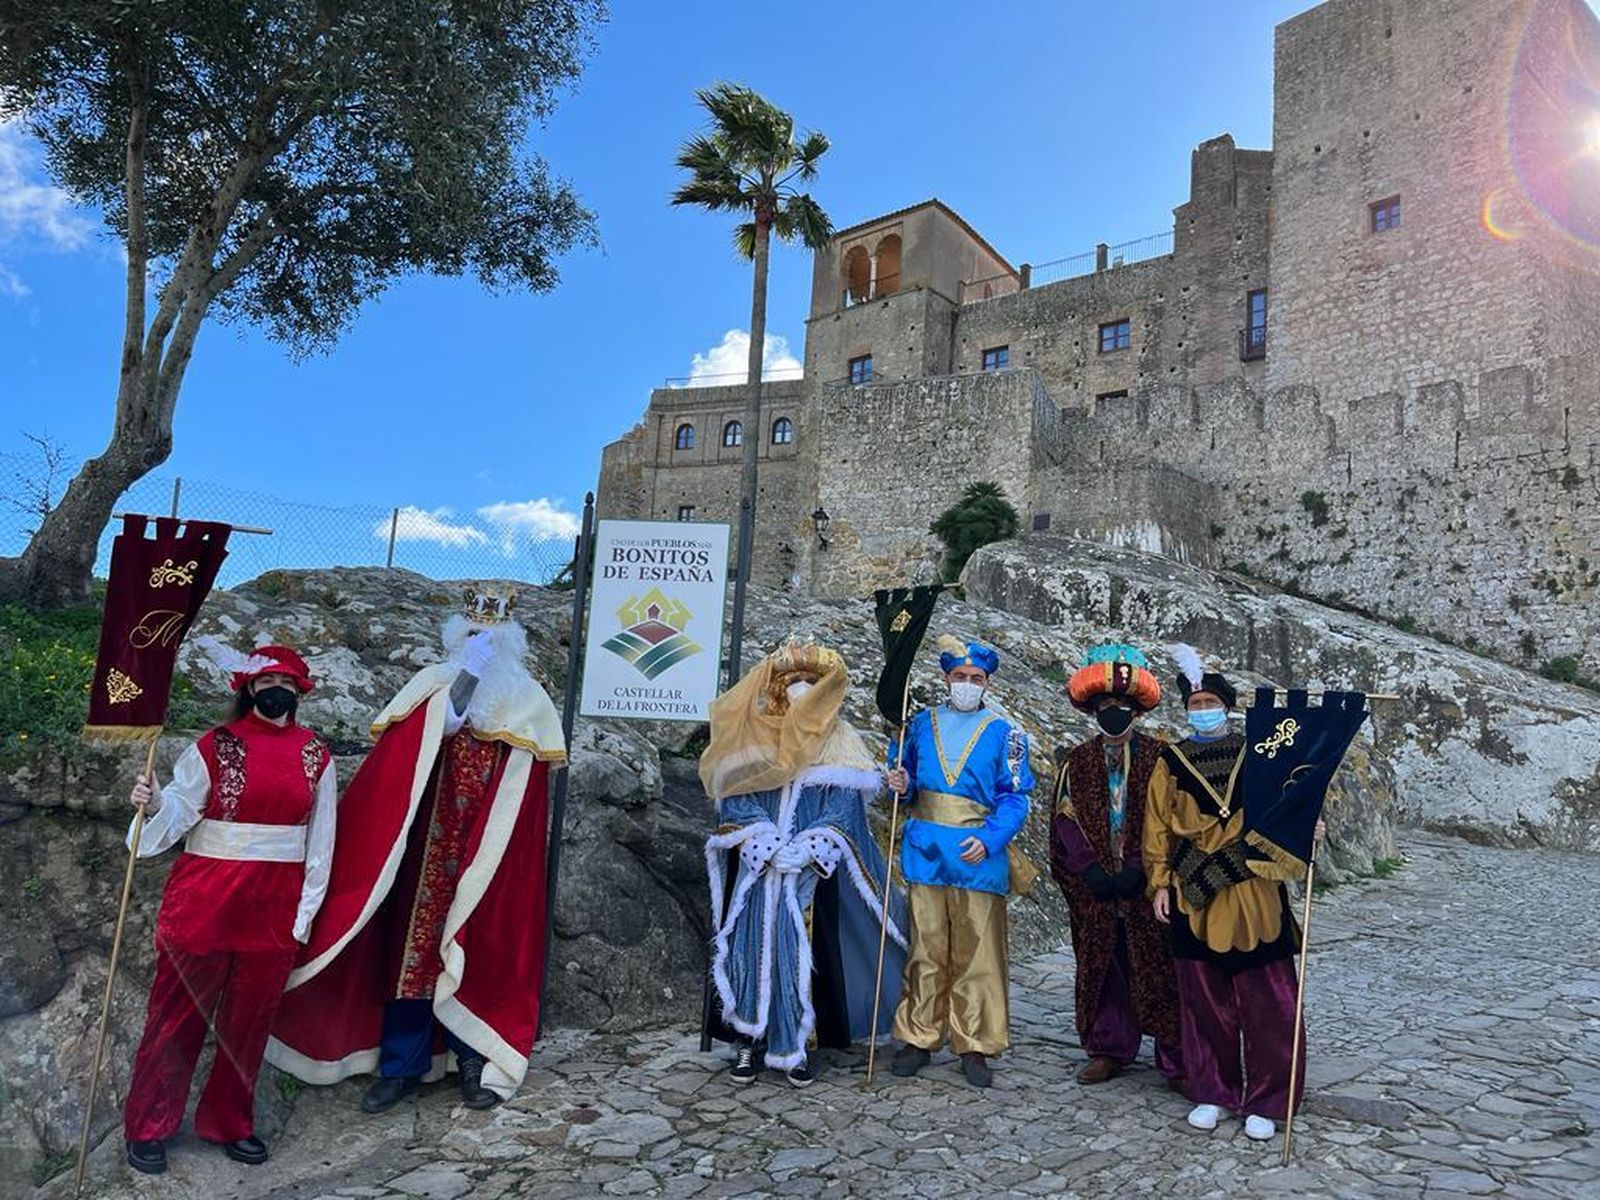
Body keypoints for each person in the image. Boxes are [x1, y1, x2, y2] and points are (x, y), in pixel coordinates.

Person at [268, 588, 565, 1112]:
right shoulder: (434, 685)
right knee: (414, 951)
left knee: (480, 949)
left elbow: (528, 786)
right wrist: (461, 686)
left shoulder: (528, 700)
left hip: (486, 852)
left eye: (491, 641)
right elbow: (410, 751)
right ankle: (402, 1064)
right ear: (458, 640)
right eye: (473, 638)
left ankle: (472, 1061)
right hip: (424, 845)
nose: (482, 648)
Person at [121, 643, 334, 1175]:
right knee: (175, 1018)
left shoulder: (317, 756)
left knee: (248, 1025)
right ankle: (148, 1126)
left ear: (298, 692)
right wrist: (152, 804)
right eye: (265, 685)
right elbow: (177, 812)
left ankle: (230, 1123)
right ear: (248, 690)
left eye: (284, 684)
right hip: (204, 903)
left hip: (274, 910)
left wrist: (303, 915)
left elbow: (321, 844)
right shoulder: (214, 746)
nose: (274, 692)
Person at [700, 642, 907, 1087]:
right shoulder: (755, 736)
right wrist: (763, 842)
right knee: (747, 946)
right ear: (779, 688)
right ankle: (748, 1041)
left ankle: (796, 1046)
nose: (802, 691)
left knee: (804, 954)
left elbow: (844, 809)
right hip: (759, 869)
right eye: (794, 682)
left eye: (811, 683)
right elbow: (737, 801)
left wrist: (813, 846)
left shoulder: (841, 740)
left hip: (809, 872)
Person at [1144, 647, 1321, 1142]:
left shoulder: (1261, 752)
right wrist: (1160, 882)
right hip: (1193, 892)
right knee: (1204, 1001)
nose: (1203, 709)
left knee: (1269, 1002)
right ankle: (1214, 1091)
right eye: (1195, 702)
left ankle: (1268, 1098)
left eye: (1209, 701)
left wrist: (1309, 825)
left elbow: (1290, 797)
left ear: (1226, 704)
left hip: (1253, 887)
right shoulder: (1171, 761)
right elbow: (1157, 826)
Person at [884, 636, 1035, 1089]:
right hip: (926, 848)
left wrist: (990, 839)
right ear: (946, 678)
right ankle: (917, 1035)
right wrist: (900, 783)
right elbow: (907, 781)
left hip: (976, 854)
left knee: (978, 952)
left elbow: (1014, 797)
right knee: (925, 947)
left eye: (976, 678)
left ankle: (976, 1043)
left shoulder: (1007, 734)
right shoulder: (916, 725)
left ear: (987, 683)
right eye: (959, 677)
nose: (967, 684)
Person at [1050, 643, 1182, 1088]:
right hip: (1099, 886)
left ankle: (1174, 1056)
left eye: (1122, 706)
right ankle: (1109, 1047)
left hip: (1146, 882)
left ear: (1136, 710)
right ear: (1093, 710)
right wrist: (1089, 870)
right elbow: (1065, 819)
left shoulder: (1161, 756)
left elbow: (1171, 818)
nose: (1114, 713)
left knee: (1161, 966)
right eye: (1106, 706)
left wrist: (1142, 868)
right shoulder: (1077, 761)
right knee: (1104, 964)